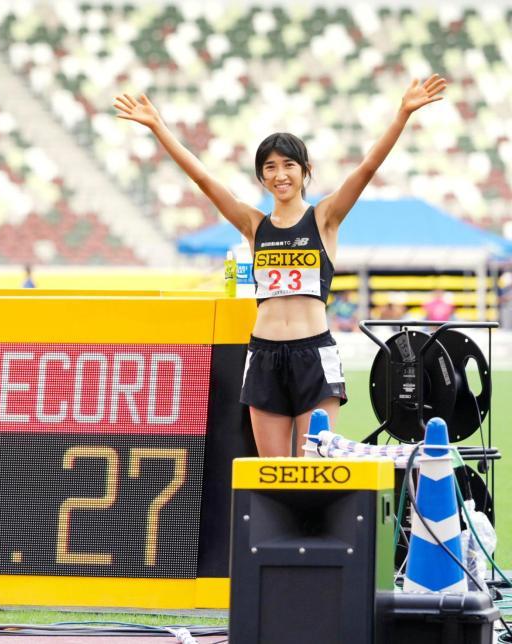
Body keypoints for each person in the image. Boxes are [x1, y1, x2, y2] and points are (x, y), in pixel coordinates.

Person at [114, 75, 446, 456]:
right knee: (272, 473)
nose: (280, 174)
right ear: (262, 177)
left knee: (313, 468)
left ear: (305, 170)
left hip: (314, 355)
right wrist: (158, 127)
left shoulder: (325, 219)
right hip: (264, 355)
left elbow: (367, 168)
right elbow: (203, 179)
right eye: (270, 167)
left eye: (288, 164)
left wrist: (402, 113)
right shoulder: (254, 225)